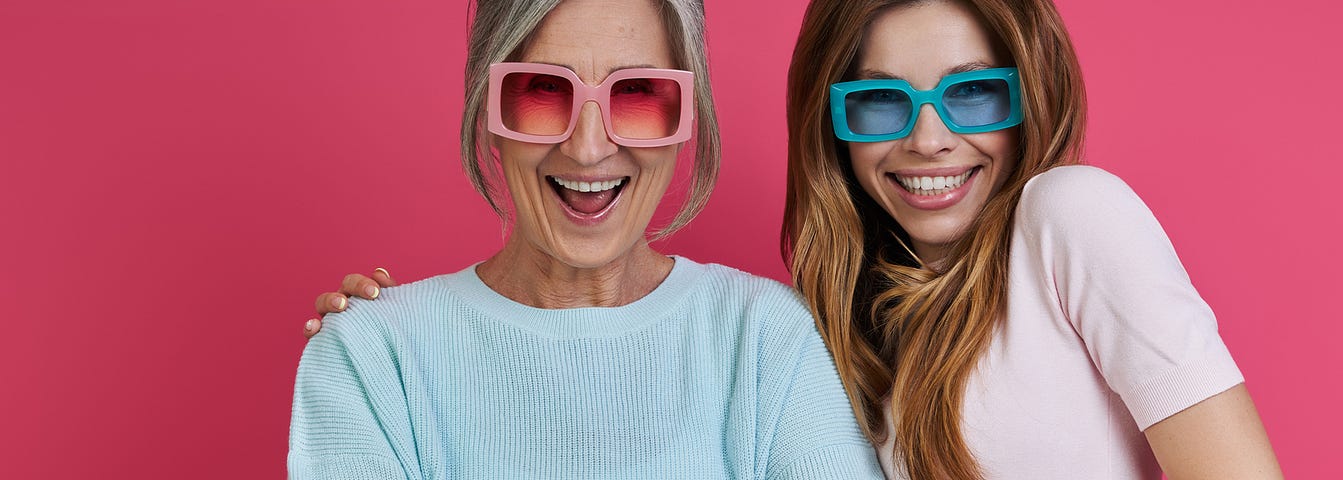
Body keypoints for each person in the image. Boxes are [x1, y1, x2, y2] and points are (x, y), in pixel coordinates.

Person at [310, 0, 1284, 478]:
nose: (930, 138)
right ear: (834, 128)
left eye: (973, 93)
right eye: (878, 104)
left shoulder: (1071, 216)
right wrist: (400, 335)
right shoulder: (838, 327)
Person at [288, 0, 883, 478]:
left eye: (638, 95)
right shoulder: (372, 359)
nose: (588, 147)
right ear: (488, 112)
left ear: (687, 116)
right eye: (544, 91)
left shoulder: (772, 341)